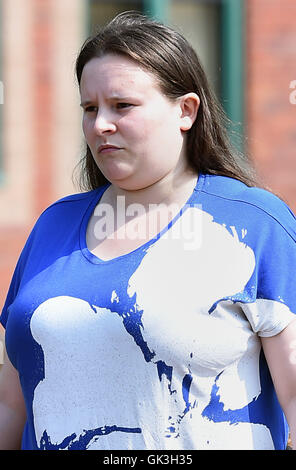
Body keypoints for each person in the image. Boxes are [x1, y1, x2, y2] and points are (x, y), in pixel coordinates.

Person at [0, 11, 296, 451]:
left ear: (186, 110)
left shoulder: (254, 225)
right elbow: (11, 403)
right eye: (89, 108)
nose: (100, 124)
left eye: (122, 106)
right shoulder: (52, 226)